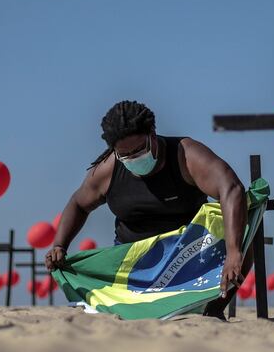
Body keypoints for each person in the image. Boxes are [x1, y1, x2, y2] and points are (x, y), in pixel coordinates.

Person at [44, 100, 250, 318]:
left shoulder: (185, 156)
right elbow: (78, 203)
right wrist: (59, 245)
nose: (133, 158)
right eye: (125, 155)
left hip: (187, 260)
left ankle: (213, 311)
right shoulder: (107, 170)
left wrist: (234, 251)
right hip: (134, 267)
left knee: (247, 225)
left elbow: (231, 188)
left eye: (139, 150)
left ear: (153, 133)